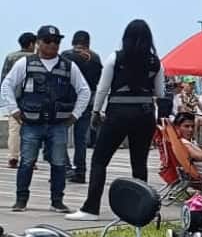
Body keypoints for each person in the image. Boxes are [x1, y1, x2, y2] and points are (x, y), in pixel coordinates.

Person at [65, 20, 165, 220]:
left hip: (119, 112)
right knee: (139, 163)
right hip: (145, 114)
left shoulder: (116, 58)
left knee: (100, 160)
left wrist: (95, 112)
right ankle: (140, 210)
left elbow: (103, 88)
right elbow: (160, 92)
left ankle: (91, 208)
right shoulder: (155, 62)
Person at [0, 25, 93, 212]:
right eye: (48, 41)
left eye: (57, 41)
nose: (53, 45)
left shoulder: (68, 66)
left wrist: (75, 115)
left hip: (58, 124)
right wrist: (14, 110)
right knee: (27, 161)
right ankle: (21, 200)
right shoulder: (25, 63)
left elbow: (84, 90)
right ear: (38, 42)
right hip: (32, 123)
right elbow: (7, 85)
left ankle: (57, 201)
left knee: (59, 162)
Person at [60, 30, 102, 184]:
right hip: (87, 101)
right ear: (88, 43)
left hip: (67, 101)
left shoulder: (65, 55)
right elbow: (99, 81)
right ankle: (81, 171)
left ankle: (64, 168)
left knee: (60, 135)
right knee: (81, 139)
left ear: (73, 41)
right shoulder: (95, 58)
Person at [3, 32, 36, 169]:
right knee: (32, 131)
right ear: (31, 44)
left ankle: (13, 157)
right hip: (33, 100)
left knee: (14, 129)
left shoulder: (11, 57)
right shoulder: (36, 58)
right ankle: (29, 159)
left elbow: (4, 79)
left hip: (14, 98)